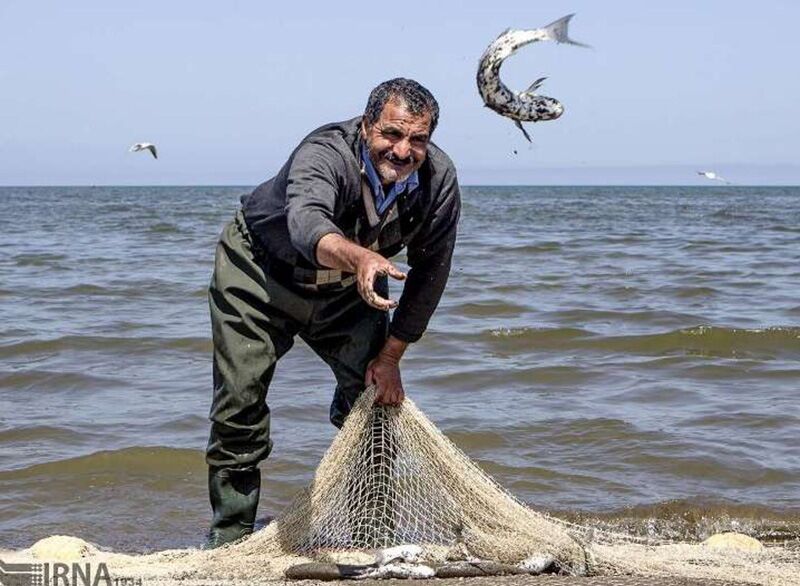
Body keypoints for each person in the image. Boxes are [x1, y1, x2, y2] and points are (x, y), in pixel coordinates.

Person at [204, 78, 461, 548]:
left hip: (349, 292)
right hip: (260, 271)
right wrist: (361, 256)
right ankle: (230, 538)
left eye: (418, 139)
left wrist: (391, 357)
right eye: (391, 134)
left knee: (375, 402)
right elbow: (306, 225)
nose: (403, 151)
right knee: (239, 403)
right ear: (366, 127)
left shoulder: (437, 181)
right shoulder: (324, 154)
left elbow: (432, 273)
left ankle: (369, 533)